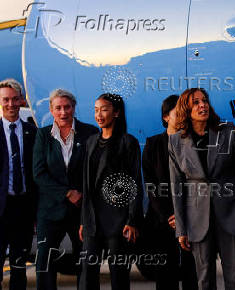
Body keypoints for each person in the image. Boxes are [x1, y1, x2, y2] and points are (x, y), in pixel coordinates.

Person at [168, 88, 235, 290]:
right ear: (186, 109)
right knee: (204, 278)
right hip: (197, 218)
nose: (202, 105)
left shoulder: (228, 132)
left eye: (204, 101)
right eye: (196, 102)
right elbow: (176, 186)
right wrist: (181, 228)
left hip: (230, 213)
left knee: (234, 276)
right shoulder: (176, 141)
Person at [33, 89, 98, 290]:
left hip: (81, 210)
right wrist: (68, 193)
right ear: (51, 110)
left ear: (74, 108)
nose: (63, 112)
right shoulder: (43, 135)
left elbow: (95, 171)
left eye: (67, 107)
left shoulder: (90, 133)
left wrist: (82, 194)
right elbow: (39, 173)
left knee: (86, 262)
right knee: (44, 262)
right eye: (58, 108)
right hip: (50, 211)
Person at [79, 93, 143, 290]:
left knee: (119, 275)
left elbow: (134, 183)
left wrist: (132, 220)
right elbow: (86, 185)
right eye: (96, 109)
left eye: (104, 109)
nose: (99, 114)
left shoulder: (127, 142)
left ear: (116, 113)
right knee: (87, 274)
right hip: (92, 219)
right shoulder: (90, 142)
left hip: (118, 219)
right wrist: (84, 219)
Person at [142, 94, 198, 290]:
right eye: (178, 112)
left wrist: (186, 215)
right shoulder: (153, 144)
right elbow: (151, 185)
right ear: (166, 116)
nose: (184, 117)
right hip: (162, 219)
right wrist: (170, 215)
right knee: (166, 275)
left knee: (193, 273)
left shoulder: (194, 143)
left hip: (192, 218)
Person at [0, 79, 36, 290]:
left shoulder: (32, 132)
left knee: (19, 265)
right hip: (1, 207)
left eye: (15, 99)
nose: (11, 104)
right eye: (6, 99)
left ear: (22, 100)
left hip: (23, 208)